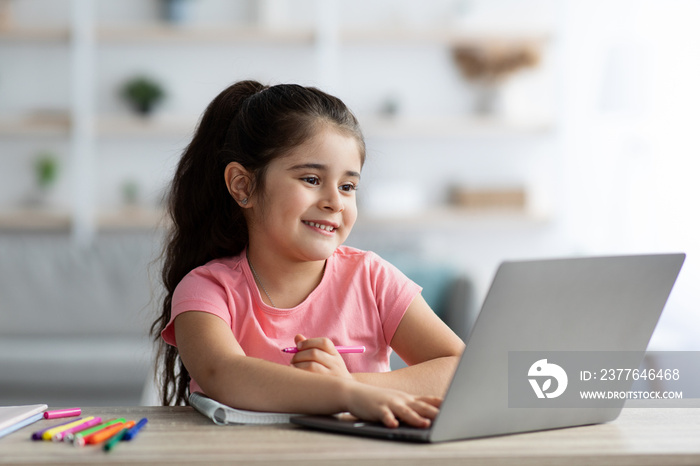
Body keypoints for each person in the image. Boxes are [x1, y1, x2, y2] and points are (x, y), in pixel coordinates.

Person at [150, 80, 465, 428]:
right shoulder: (206, 290)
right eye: (312, 179)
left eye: (348, 186)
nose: (335, 201)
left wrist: (351, 386)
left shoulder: (373, 279)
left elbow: (460, 366)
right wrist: (342, 395)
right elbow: (223, 374)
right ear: (243, 185)